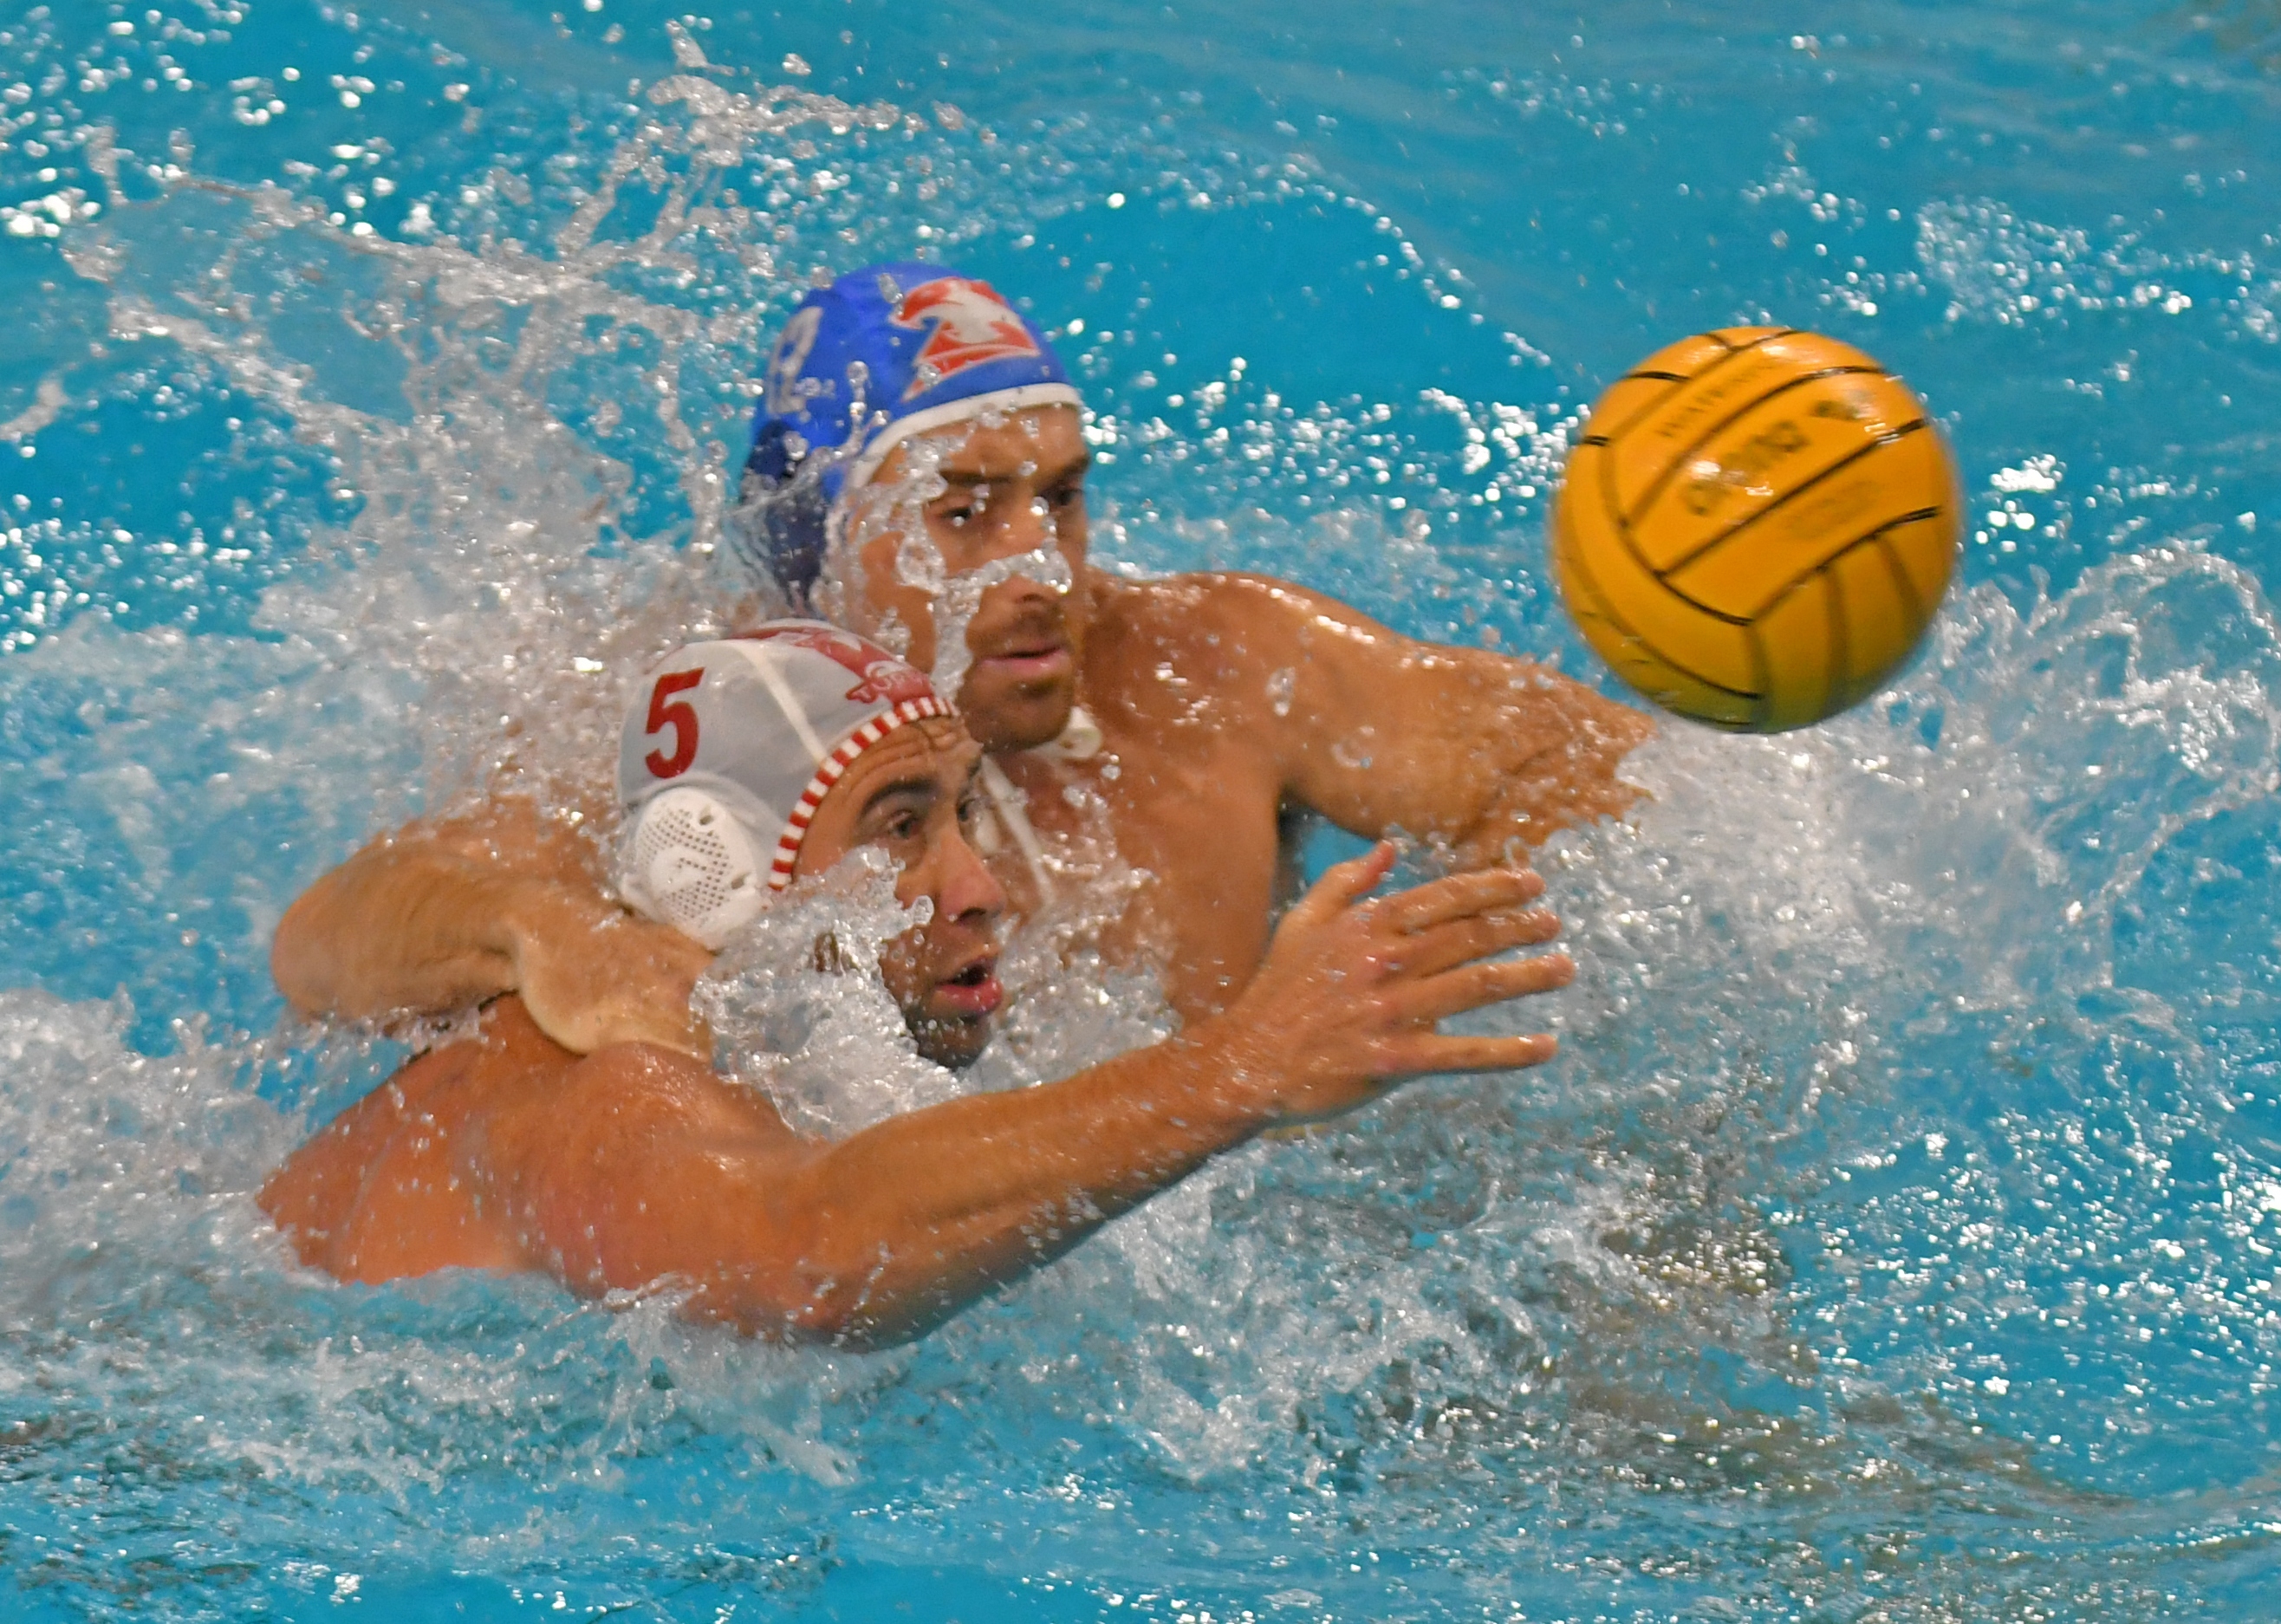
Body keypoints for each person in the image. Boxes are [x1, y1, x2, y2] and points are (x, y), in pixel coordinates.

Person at [270, 263, 1650, 1056]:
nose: (1041, 567)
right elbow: (327, 939)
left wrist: (1462, 939)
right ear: (819, 546)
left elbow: (1593, 768)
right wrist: (559, 939)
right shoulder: (715, 723)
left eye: (1062, 497)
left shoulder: (1212, 663)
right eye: (965, 511)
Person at [259, 625, 1572, 1346]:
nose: (979, 884)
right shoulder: (597, 1086)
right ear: (716, 876)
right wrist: (1241, 1070)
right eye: (899, 828)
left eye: (962, 814)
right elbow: (802, 1259)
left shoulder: (737, 1052)